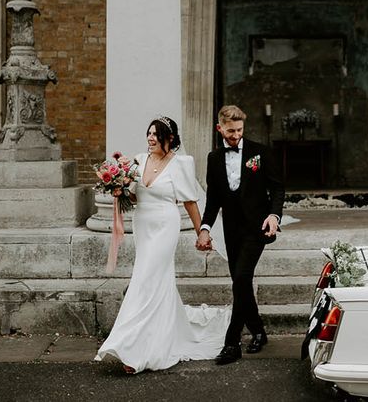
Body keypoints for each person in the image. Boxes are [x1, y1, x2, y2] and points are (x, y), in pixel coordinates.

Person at [95, 116, 230, 374]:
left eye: (156, 134)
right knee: (152, 280)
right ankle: (149, 340)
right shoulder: (138, 160)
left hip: (165, 225)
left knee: (147, 279)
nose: (150, 138)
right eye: (149, 133)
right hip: (143, 225)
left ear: (170, 138)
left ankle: (133, 349)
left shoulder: (181, 164)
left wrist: (202, 232)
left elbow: (190, 201)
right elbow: (135, 196)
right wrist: (119, 187)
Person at [196, 104, 285, 365]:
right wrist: (204, 228)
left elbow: (278, 189)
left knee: (242, 278)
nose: (235, 135)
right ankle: (258, 331)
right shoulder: (213, 159)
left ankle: (232, 343)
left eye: (239, 130)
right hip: (231, 231)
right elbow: (213, 200)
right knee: (241, 284)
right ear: (219, 128)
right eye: (230, 130)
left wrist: (274, 215)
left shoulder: (260, 152)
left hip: (257, 228)